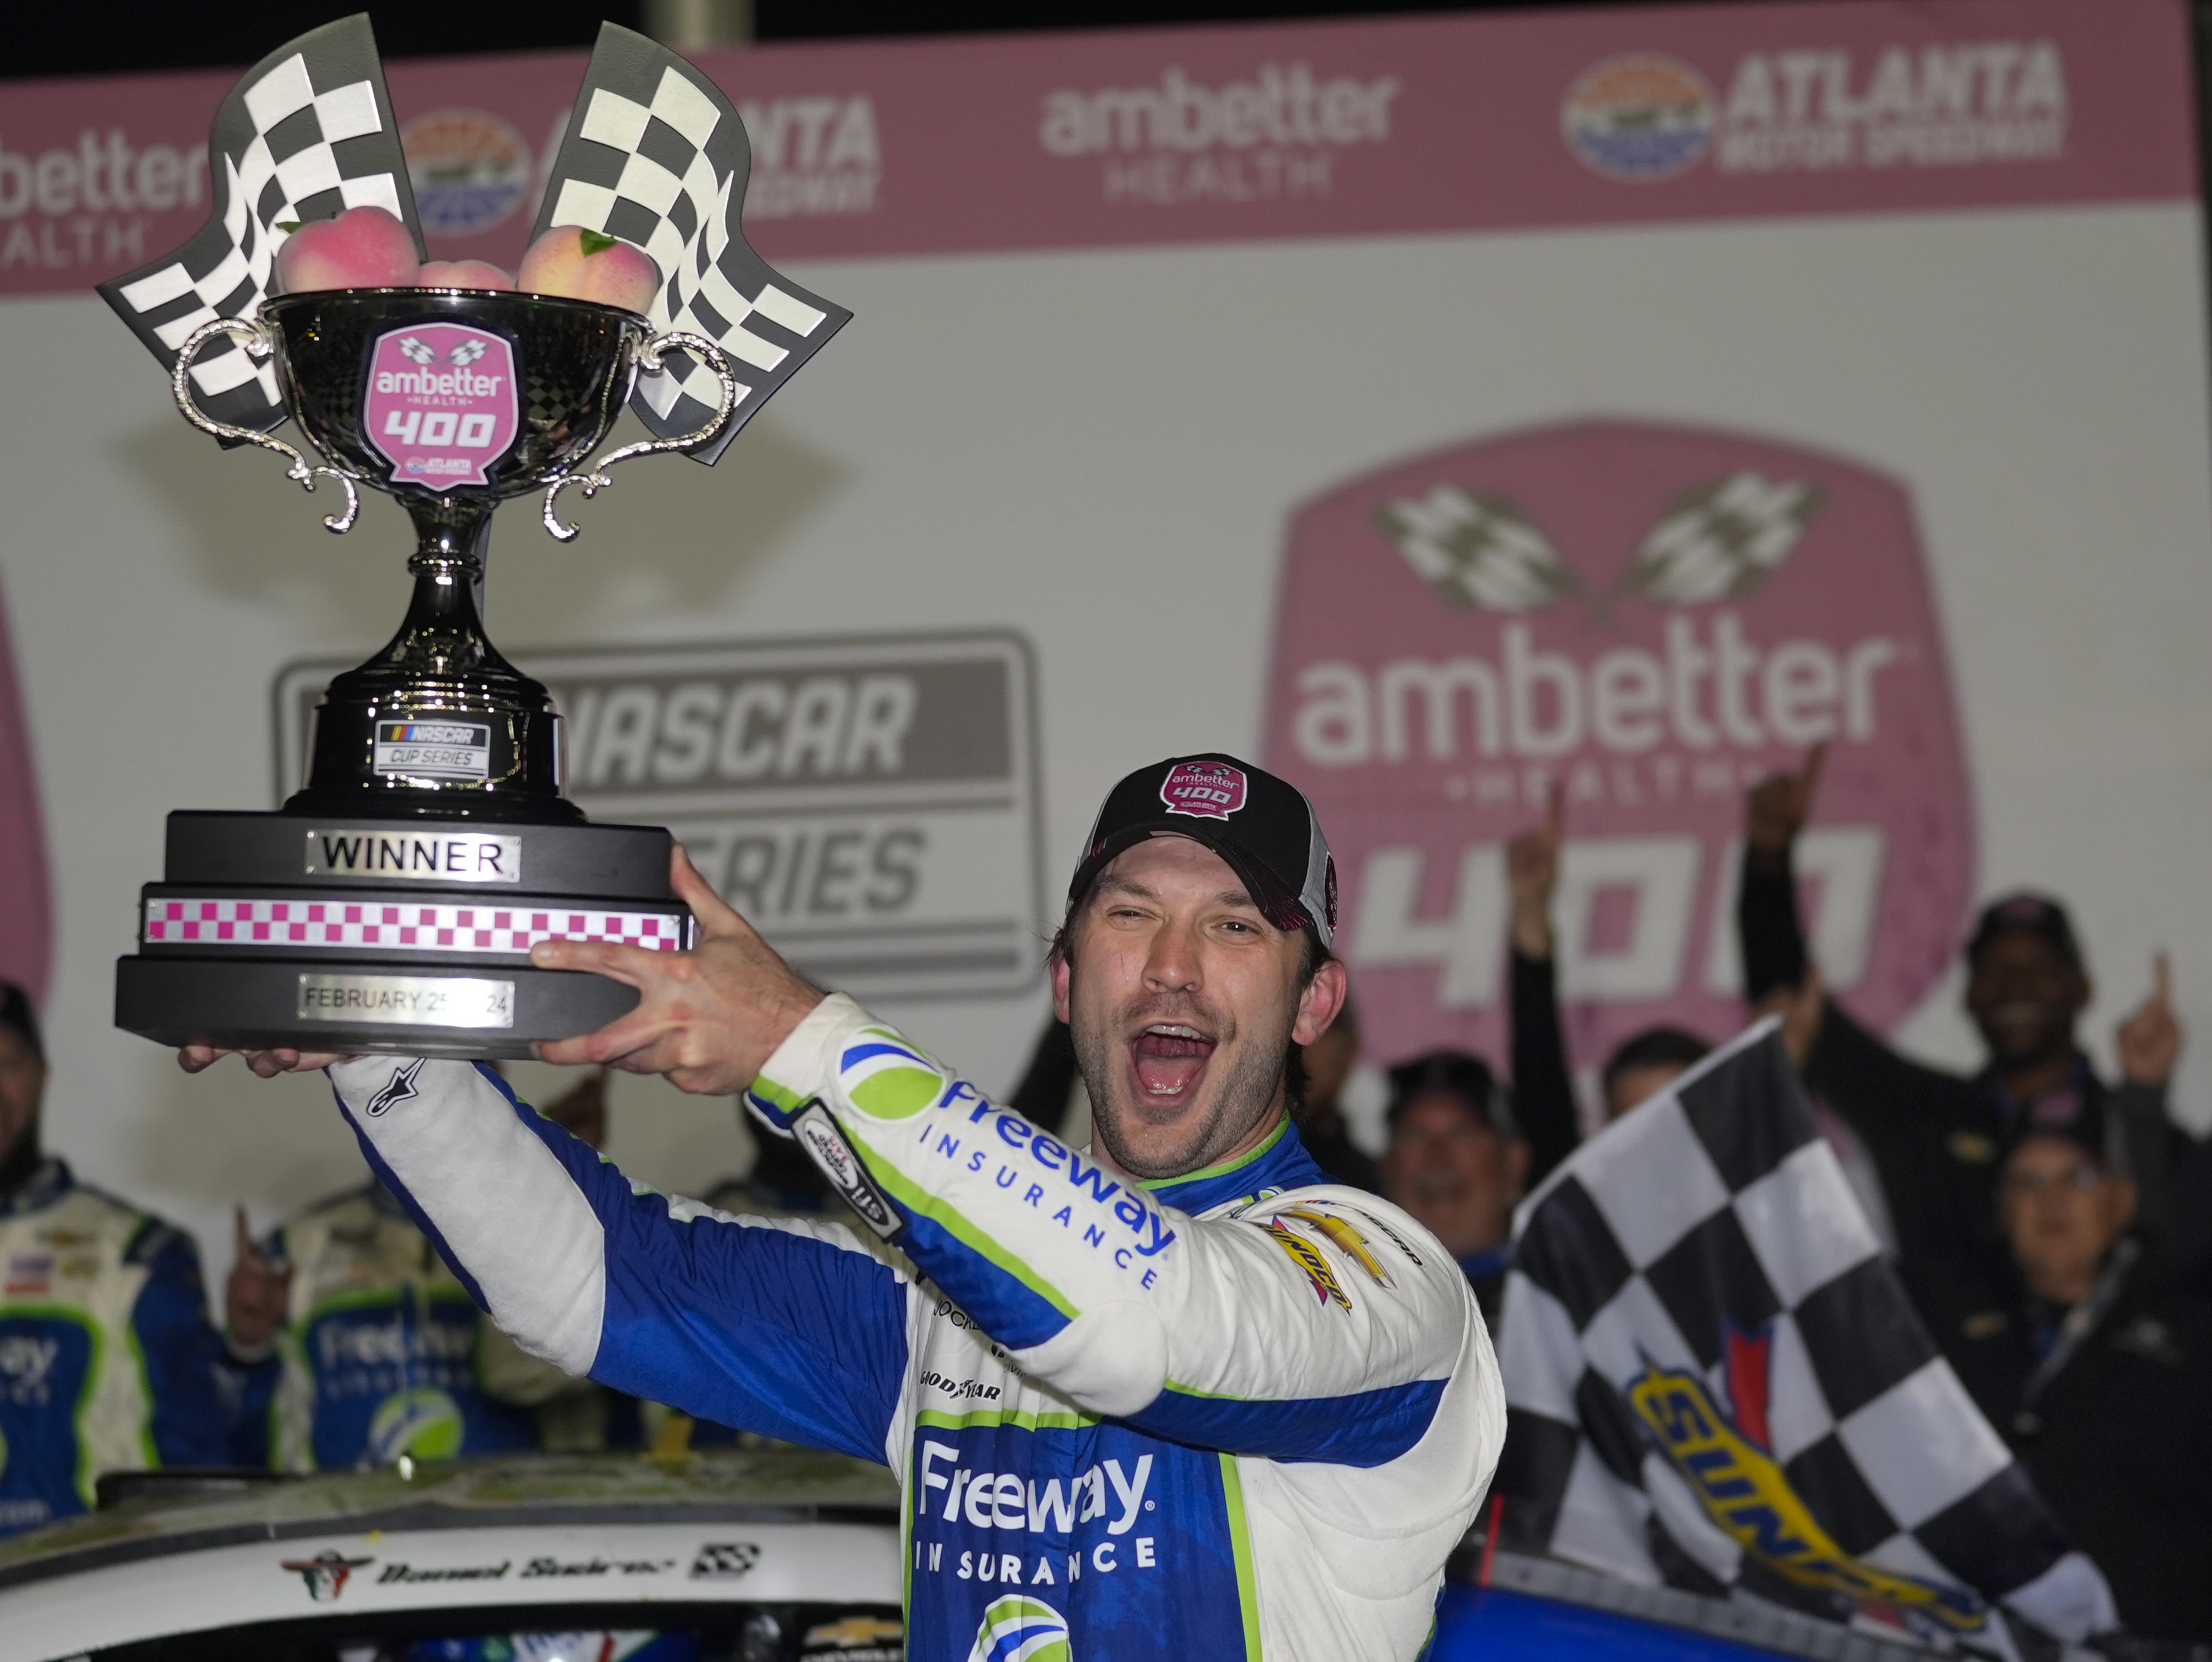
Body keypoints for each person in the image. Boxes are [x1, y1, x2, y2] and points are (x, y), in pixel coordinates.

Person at [187, 753, 1504, 1661]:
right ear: (1065, 977)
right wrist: (380, 1048)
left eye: (1233, 928)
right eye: (1130, 911)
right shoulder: (947, 1301)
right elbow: (591, 1278)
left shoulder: (1389, 1284)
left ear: (1314, 1002)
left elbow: (1144, 1322)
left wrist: (795, 1039)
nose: (1170, 964)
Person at [1739, 744, 2187, 1289]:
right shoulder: (1922, 1115)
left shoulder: (2132, 1125)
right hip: (1942, 1369)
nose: (2016, 986)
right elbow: (1794, 1008)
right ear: (1969, 997)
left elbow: (2177, 1269)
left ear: (2082, 989)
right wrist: (1768, 857)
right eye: (1996, 970)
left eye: (2040, 968)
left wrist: (2146, 1099)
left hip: (2105, 1373)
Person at [225, 1068, 640, 1469]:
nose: (427, 1102)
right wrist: (248, 1347)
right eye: (406, 1078)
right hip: (342, 1532)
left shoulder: (546, 1232)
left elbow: (615, 1399)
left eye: (460, 1080)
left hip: (514, 1528)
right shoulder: (298, 1247)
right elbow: (236, 1438)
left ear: (495, 1090)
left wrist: (555, 1182)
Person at [1918, 1104, 2212, 1642]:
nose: (2051, 1198)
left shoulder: (2192, 1334)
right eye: (2027, 1182)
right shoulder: (1943, 1330)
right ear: (2002, 1214)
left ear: (2123, 1203)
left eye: (2078, 1177)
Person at [0, 981, 229, 1536]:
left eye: (8, 1062)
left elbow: (204, 1470)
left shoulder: (136, 1253)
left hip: (83, 1601)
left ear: (43, 1078)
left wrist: (250, 1353)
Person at [1503, 785, 1708, 1135]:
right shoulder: (1586, 1191)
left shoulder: (1768, 1188)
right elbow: (1541, 1087)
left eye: (1683, 1121)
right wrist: (1531, 912)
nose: (1661, 1143)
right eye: (1636, 1125)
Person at [1377, 1051, 1526, 1326]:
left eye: (1462, 1135)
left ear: (1513, 1165)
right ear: (1387, 1167)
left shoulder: (1559, 1301)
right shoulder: (1349, 1300)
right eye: (1416, 1136)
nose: (1438, 1157)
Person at [1295, 991, 1381, 1192]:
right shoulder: (1226, 1161)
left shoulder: (1371, 1180)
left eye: (1318, 1030)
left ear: (1350, 1049)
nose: (1301, 1049)